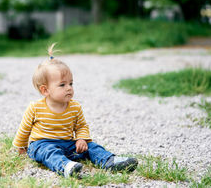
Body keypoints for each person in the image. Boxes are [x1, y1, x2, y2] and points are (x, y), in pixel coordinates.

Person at [13, 43, 138, 178]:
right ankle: (65, 167)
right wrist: (21, 147)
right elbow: (24, 129)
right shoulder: (35, 108)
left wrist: (81, 139)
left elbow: (81, 126)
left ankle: (109, 160)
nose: (69, 88)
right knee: (48, 152)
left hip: (68, 144)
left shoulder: (75, 107)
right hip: (42, 144)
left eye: (71, 83)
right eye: (62, 85)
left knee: (91, 147)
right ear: (45, 90)